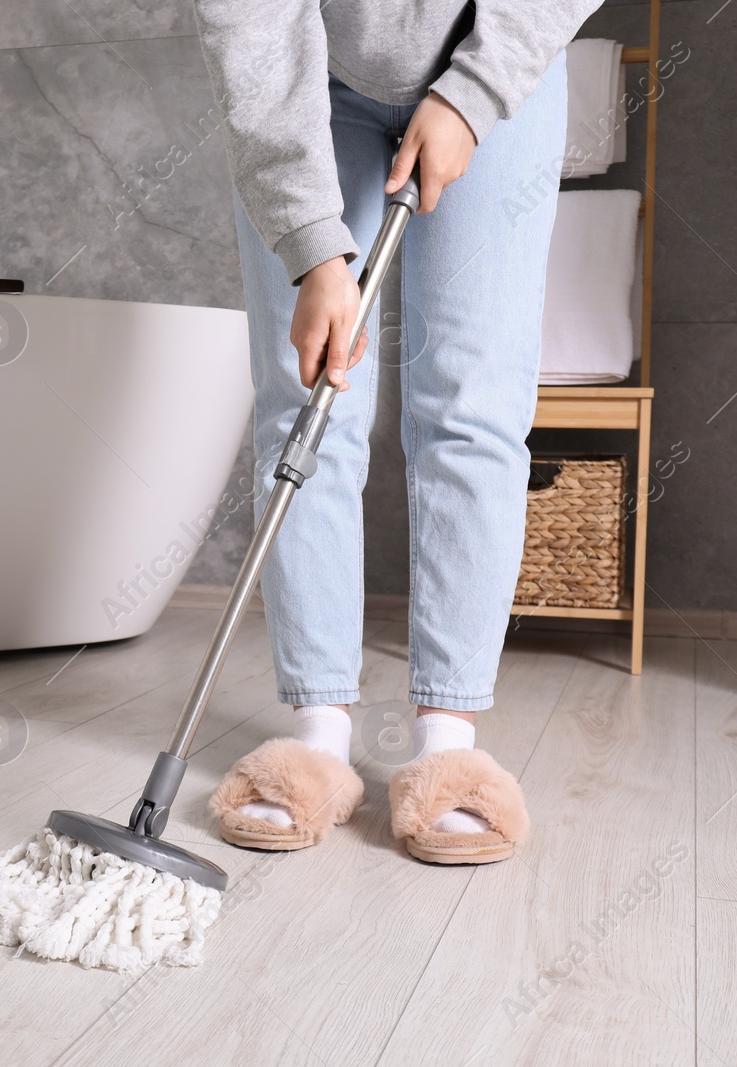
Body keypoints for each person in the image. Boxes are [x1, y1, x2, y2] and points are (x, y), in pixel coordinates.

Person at [197, 0, 599, 864]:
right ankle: (316, 734)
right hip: (312, 86)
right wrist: (311, 248)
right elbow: (249, 26)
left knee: (472, 406)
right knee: (306, 394)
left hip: (498, 63)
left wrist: (475, 91)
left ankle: (448, 743)